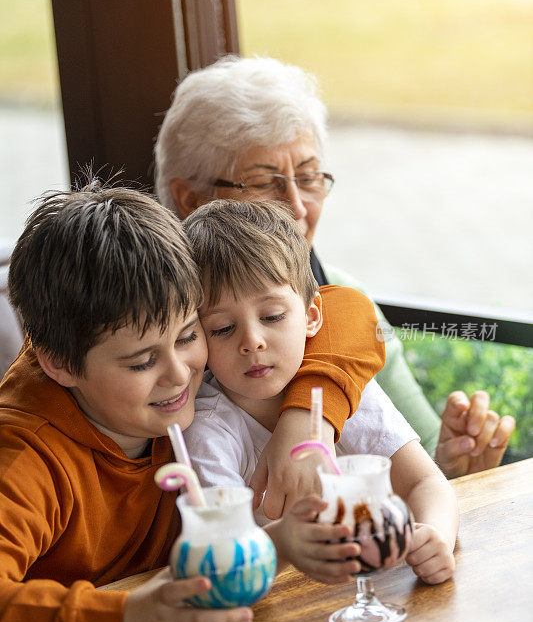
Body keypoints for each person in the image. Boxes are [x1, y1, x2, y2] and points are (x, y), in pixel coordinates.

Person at [0, 182, 382, 622]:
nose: (181, 375)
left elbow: (347, 311)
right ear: (59, 362)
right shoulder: (25, 457)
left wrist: (305, 421)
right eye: (141, 363)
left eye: (190, 336)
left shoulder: (191, 372)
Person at [154, 55, 515, 484]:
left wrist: (452, 466)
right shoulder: (159, 316)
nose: (297, 206)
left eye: (308, 177)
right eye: (266, 181)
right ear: (191, 199)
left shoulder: (344, 294)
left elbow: (419, 462)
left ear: (311, 315)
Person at [183, 200, 458, 584]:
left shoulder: (343, 386)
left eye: (272, 316)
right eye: (223, 328)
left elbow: (424, 482)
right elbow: (229, 558)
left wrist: (435, 535)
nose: (253, 341)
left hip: (373, 592)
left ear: (312, 316)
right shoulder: (208, 431)